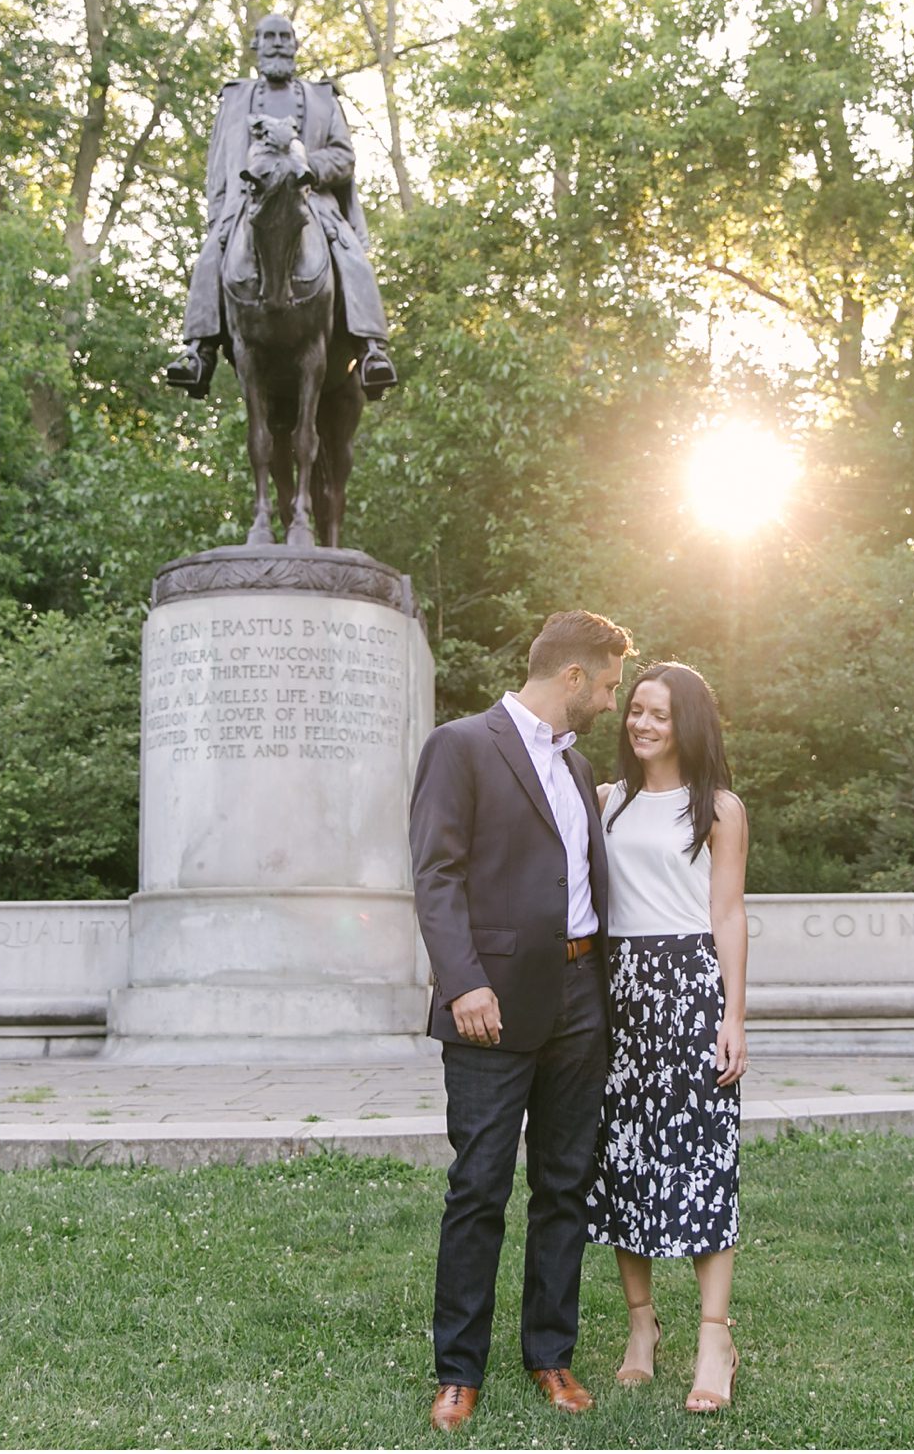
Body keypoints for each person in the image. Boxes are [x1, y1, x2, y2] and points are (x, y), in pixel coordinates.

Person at [409, 609, 634, 1432]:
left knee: (564, 1184)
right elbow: (436, 874)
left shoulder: (575, 769)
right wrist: (462, 981)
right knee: (478, 1188)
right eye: (608, 685)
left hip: (583, 998)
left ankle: (551, 1355)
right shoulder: (462, 745)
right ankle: (458, 1371)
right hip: (490, 1005)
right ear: (572, 677)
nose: (612, 702)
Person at [585, 661, 748, 1413]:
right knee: (627, 1154)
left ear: (689, 723)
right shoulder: (606, 803)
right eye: (636, 710)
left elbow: (728, 915)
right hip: (618, 988)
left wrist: (733, 1015)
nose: (643, 723)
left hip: (688, 984)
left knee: (705, 1151)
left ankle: (715, 1337)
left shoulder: (717, 807)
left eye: (660, 713)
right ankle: (641, 1330)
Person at [161, 12, 396, 401]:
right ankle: (198, 351)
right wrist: (217, 218)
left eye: (285, 37)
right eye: (268, 37)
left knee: (351, 256)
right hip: (246, 202)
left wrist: (306, 170)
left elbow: (343, 156)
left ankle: (371, 351)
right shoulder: (234, 97)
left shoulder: (322, 98)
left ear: (296, 44)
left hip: (311, 199)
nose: (277, 44)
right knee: (209, 258)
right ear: (255, 45)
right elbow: (219, 165)